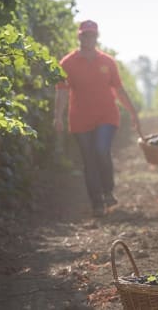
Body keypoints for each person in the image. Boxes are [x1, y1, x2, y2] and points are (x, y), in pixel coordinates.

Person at [54, 20, 141, 217]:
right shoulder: (67, 63)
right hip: (80, 119)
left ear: (97, 37)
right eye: (86, 35)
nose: (89, 38)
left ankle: (108, 191)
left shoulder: (108, 62)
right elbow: (61, 92)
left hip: (106, 116)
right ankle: (97, 203)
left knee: (101, 150)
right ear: (80, 36)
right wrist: (57, 116)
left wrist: (133, 112)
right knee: (89, 160)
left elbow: (119, 89)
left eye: (93, 35)